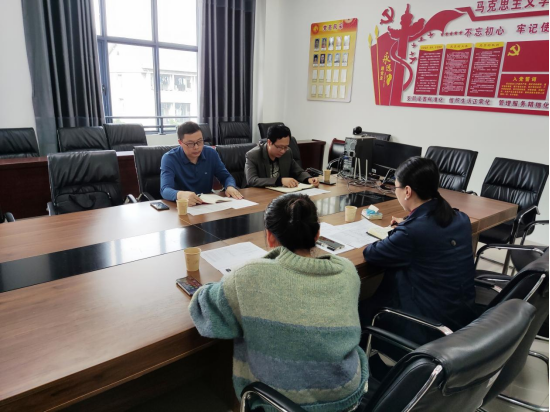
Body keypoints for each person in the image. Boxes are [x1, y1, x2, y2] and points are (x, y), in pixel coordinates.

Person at [189, 194, 369, 411]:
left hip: (282, 403)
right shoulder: (347, 270)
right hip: (347, 393)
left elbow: (206, 312)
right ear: (317, 234)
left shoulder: (250, 276)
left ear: (269, 236)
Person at [362, 157, 476, 336]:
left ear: (407, 191)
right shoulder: (461, 218)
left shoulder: (411, 232)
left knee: (357, 310)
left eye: (396, 187)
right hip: (461, 319)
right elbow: (430, 231)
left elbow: (371, 254)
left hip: (427, 327)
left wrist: (402, 231)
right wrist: (408, 223)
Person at [160, 122, 243, 205]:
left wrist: (230, 186)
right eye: (190, 144)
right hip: (183, 206)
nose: (196, 147)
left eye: (200, 141)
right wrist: (180, 195)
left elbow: (226, 177)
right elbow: (165, 190)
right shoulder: (169, 158)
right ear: (180, 142)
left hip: (207, 204)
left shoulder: (211, 153)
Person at [245, 125, 319, 188]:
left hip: (280, 193)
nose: (283, 151)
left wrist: (308, 179)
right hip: (258, 194)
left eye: (286, 147)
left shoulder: (287, 153)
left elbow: (298, 172)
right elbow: (252, 180)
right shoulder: (253, 155)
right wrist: (280, 181)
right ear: (269, 142)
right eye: (279, 147)